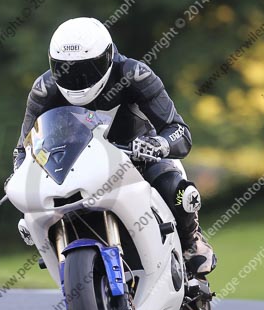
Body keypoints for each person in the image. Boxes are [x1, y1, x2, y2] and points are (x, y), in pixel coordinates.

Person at [12, 16, 216, 275]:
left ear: (108, 56)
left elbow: (179, 131)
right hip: (76, 168)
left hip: (139, 157)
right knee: (35, 216)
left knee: (175, 189)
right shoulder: (44, 89)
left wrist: (159, 145)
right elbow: (24, 148)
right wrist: (22, 174)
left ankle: (191, 241)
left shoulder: (134, 74)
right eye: (66, 70)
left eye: (87, 69)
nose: (78, 80)